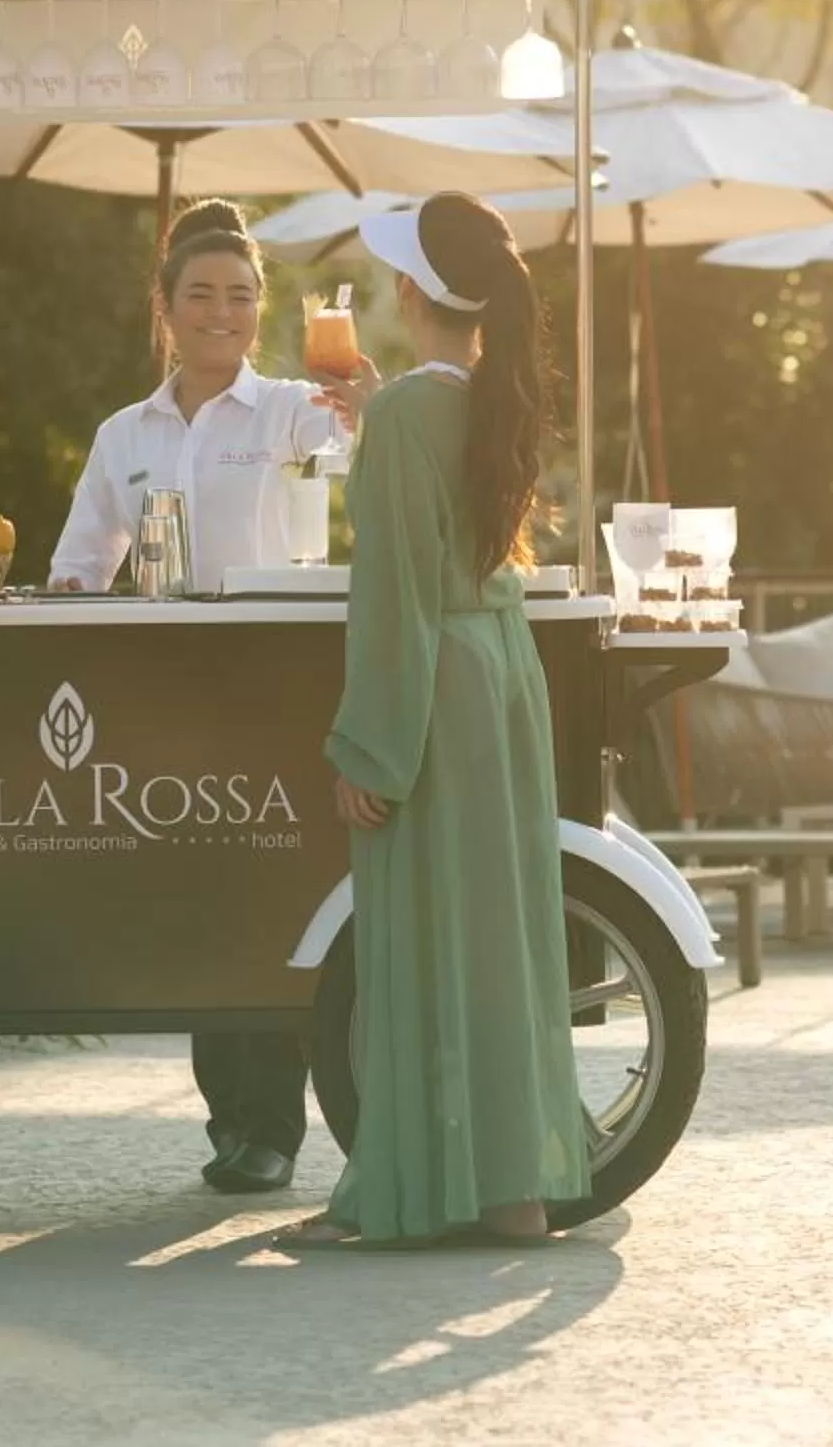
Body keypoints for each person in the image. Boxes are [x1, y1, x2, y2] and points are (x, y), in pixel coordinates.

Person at [278, 193, 591, 1249]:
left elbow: (396, 593)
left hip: (438, 682)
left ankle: (402, 1195)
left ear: (411, 291)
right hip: (500, 674)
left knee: (419, 934)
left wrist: (370, 745)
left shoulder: (413, 410)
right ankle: (515, 1190)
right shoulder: (477, 398)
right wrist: (382, 415)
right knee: (495, 934)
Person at [49, 199, 375, 1194]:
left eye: (240, 295)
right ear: (166, 307)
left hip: (273, 683)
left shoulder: (288, 409)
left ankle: (271, 1125)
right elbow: (79, 565)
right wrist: (68, 592)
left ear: (260, 309)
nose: (221, 313)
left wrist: (360, 405)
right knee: (200, 901)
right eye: (201, 295)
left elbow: (352, 455)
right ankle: (231, 1117)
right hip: (169, 696)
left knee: (269, 899)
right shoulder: (123, 433)